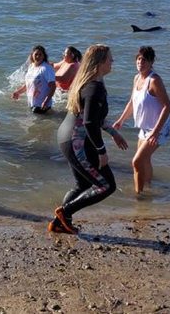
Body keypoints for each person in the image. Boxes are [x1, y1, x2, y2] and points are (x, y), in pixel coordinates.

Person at [49, 44, 128, 235]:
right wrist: (102, 152)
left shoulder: (90, 83)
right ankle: (64, 212)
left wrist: (113, 132)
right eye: (110, 58)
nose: (112, 61)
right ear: (100, 63)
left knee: (83, 185)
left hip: (67, 137)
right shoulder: (93, 88)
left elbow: (94, 118)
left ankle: (60, 223)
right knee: (107, 185)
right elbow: (90, 122)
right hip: (78, 142)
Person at [113, 46, 170, 194]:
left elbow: (168, 106)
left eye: (145, 60)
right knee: (144, 160)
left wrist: (155, 132)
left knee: (137, 162)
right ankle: (148, 186)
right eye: (139, 59)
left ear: (151, 62)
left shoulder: (154, 80)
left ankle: (138, 195)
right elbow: (132, 102)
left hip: (158, 127)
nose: (141, 62)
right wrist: (120, 120)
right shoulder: (137, 78)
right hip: (145, 127)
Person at [11, 45, 56, 114]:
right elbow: (29, 84)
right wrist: (18, 92)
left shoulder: (46, 68)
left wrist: (45, 101)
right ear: (32, 55)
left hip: (42, 105)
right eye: (36, 54)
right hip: (32, 103)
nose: (38, 56)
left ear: (44, 56)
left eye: (40, 54)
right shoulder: (31, 66)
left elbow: (53, 86)